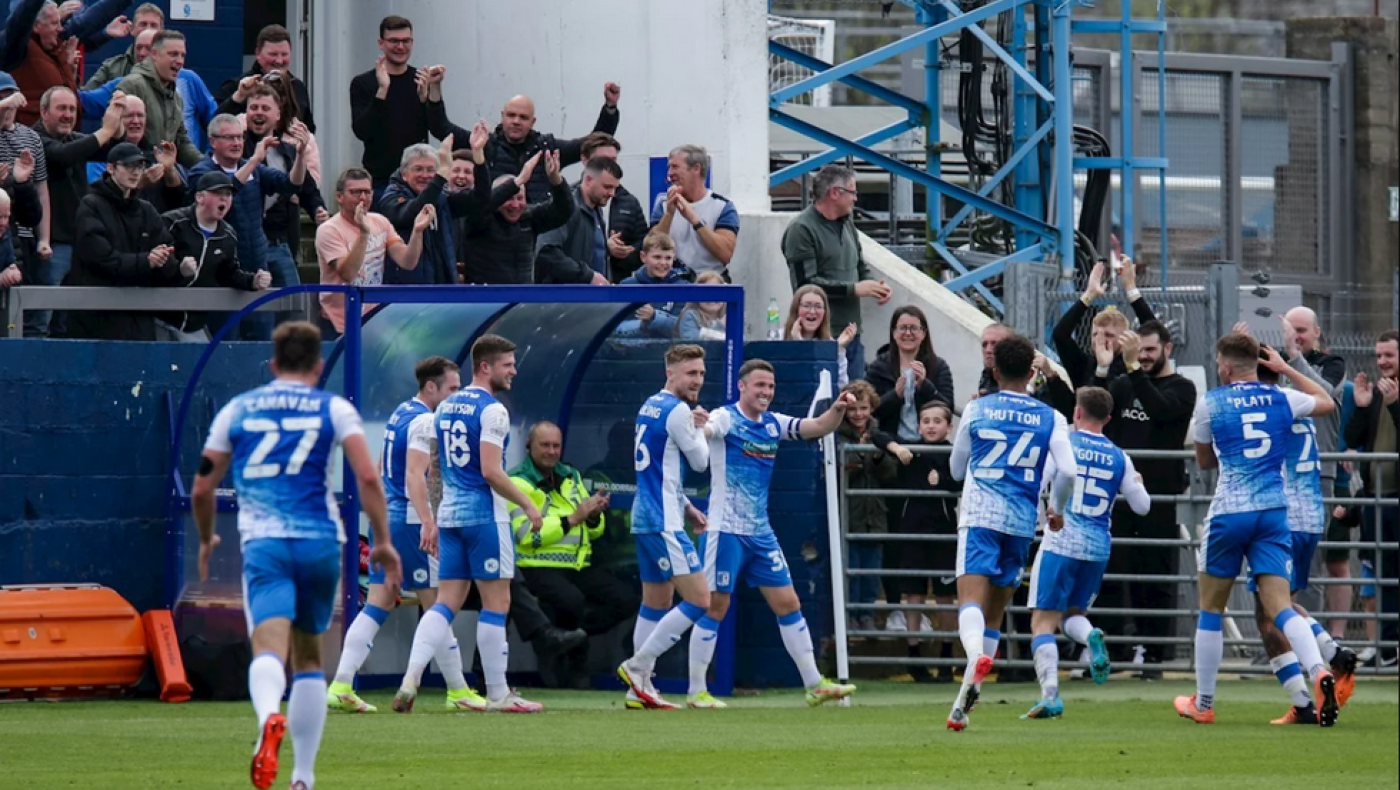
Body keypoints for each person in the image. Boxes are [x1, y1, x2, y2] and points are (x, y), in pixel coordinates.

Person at [191, 321, 402, 790]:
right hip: (320, 542)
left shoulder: (238, 410)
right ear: (319, 365)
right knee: (309, 658)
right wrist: (383, 541)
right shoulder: (334, 409)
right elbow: (368, 478)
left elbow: (203, 484)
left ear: (272, 364)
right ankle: (303, 778)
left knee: (268, 649)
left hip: (265, 543)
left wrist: (207, 539)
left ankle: (269, 716)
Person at [636, 358, 858, 710]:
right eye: (759, 386)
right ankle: (696, 691)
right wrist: (700, 427)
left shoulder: (772, 424)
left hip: (760, 532)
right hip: (724, 531)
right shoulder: (726, 417)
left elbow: (814, 427)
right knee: (714, 606)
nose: (766, 392)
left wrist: (837, 410)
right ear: (742, 387)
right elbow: (706, 434)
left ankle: (815, 684)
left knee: (789, 603)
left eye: (770, 386)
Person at [1175, 333, 1338, 726]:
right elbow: (1327, 401)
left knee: (1211, 608)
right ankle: (1318, 670)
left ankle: (1205, 702)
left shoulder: (1210, 403)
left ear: (1226, 366)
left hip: (1231, 511)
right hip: (1273, 512)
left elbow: (1205, 461)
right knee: (1281, 606)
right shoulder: (1283, 397)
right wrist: (1286, 371)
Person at [325, 357, 491, 714]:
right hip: (410, 520)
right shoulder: (424, 419)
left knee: (381, 602)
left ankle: (340, 684)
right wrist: (429, 522)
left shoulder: (403, 410)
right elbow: (415, 476)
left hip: (390, 517)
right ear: (431, 387)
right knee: (439, 604)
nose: (455, 395)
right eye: (451, 388)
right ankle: (458, 689)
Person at [391, 334, 546, 714]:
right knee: (498, 603)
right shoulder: (493, 410)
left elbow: (435, 470)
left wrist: (434, 517)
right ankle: (498, 693)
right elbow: (492, 472)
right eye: (508, 364)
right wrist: (528, 504)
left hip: (449, 518)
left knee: (445, 603)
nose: (514, 370)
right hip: (484, 518)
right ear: (485, 367)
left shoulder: (443, 409)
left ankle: (410, 679)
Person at [945, 333, 1076, 732]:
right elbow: (1068, 470)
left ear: (994, 369)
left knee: (969, 600)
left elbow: (955, 469)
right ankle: (962, 706)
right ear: (1033, 370)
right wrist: (1057, 509)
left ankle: (971, 660)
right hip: (1021, 522)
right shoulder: (1050, 416)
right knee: (995, 612)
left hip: (981, 514)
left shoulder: (977, 409)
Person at [1024, 387, 1151, 720]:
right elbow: (1142, 506)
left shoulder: (1063, 444)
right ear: (1108, 419)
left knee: (1042, 622)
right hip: (1097, 547)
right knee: (1072, 615)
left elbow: (1040, 483)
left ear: (1076, 413)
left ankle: (1050, 694)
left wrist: (1045, 515)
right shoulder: (1119, 456)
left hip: (1061, 540)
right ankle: (1090, 635)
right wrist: (1136, 479)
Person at [1246, 355, 1358, 724]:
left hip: (1282, 520)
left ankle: (1304, 699)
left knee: (1269, 617)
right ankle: (1332, 653)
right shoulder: (1301, 404)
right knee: (1285, 607)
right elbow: (1327, 397)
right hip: (1311, 516)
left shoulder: (1268, 408)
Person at [614, 343, 712, 710]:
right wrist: (700, 428)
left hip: (649, 515)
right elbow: (700, 463)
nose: (697, 380)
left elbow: (658, 468)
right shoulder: (678, 411)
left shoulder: (648, 405)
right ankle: (636, 667)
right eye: (691, 373)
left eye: (701, 373)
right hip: (663, 522)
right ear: (670, 372)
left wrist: (685, 505)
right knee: (700, 599)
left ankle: (637, 691)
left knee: (656, 601)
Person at [1095, 321, 1196, 673]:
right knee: (1112, 570)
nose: (1144, 357)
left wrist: (1135, 367)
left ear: (1167, 349)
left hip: (1160, 495)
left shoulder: (1183, 388)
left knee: (1156, 571)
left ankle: (1155, 654)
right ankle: (1115, 651)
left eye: (1150, 350)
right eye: (1140, 351)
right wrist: (1103, 367)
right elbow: (1096, 414)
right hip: (1118, 496)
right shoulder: (1124, 384)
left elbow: (1160, 410)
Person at [508, 422, 639, 689]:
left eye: (556, 445)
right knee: (573, 600)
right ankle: (571, 660)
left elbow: (594, 532)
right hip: (535, 566)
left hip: (578, 564)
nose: (552, 452)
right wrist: (572, 519)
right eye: (545, 445)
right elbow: (527, 536)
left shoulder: (571, 476)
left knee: (625, 599)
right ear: (529, 446)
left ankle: (567, 640)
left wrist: (592, 517)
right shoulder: (515, 482)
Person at [189, 114, 308, 338]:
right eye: (229, 138)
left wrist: (301, 154)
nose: (236, 143)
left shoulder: (251, 168)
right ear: (213, 141)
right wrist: (254, 160)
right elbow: (225, 190)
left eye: (239, 137)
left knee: (262, 339)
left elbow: (292, 183)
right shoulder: (201, 171)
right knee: (226, 343)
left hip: (257, 270)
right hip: (222, 274)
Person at [783, 164, 892, 380]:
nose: (856, 199)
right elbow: (806, 285)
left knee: (855, 402)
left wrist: (873, 286)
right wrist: (854, 289)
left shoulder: (847, 223)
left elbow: (859, 264)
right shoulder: (801, 230)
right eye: (853, 192)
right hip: (818, 337)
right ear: (835, 193)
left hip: (852, 332)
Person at [32, 85, 125, 337]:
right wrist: (106, 129)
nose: (68, 114)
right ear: (43, 112)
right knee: (40, 321)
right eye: (61, 108)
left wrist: (118, 120)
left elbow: (111, 149)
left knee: (67, 324)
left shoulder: (73, 139)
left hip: (78, 245)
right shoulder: (34, 140)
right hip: (50, 248)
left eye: (72, 109)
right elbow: (63, 156)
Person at [62, 141, 176, 341]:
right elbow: (100, 259)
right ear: (111, 168)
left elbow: (167, 253)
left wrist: (176, 266)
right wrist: (146, 261)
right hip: (96, 319)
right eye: (129, 166)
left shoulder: (146, 210)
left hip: (139, 317)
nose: (135, 172)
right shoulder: (91, 205)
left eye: (140, 166)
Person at [157, 172, 272, 341]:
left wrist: (253, 281)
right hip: (158, 318)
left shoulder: (228, 235)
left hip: (193, 324)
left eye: (228, 194)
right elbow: (153, 265)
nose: (224, 199)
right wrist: (179, 269)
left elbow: (228, 274)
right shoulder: (172, 223)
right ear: (200, 197)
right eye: (218, 193)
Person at [315, 167, 430, 336]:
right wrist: (363, 233)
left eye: (367, 192)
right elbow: (348, 273)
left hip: (372, 319)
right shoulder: (329, 230)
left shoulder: (380, 221)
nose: (363, 198)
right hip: (338, 322)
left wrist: (417, 231)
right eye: (355, 192)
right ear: (339, 197)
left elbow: (407, 262)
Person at [1342, 329, 1399, 668]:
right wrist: (1362, 407)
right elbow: (1353, 437)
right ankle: (1388, 647)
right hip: (1377, 497)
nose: (1382, 362)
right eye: (1378, 356)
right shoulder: (1377, 392)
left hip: (1396, 498)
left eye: (1388, 355)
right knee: (1382, 574)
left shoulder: (1391, 396)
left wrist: (1395, 406)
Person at [894, 400, 961, 682]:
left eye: (937, 421)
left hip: (944, 533)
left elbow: (960, 482)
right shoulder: (910, 452)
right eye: (926, 421)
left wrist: (943, 479)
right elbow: (879, 438)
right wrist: (896, 448)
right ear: (918, 425)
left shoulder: (954, 453)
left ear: (949, 426)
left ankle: (947, 656)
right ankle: (914, 656)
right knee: (914, 595)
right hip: (913, 533)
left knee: (946, 596)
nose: (931, 426)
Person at [376, 126, 488, 285]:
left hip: (443, 287)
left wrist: (478, 157)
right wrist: (441, 175)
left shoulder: (442, 197)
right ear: (404, 174)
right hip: (406, 292)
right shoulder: (391, 197)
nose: (425, 175)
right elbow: (415, 210)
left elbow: (481, 198)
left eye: (431, 170)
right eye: (418, 169)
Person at [477, 83, 620, 204]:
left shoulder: (547, 149)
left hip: (537, 229)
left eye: (523, 117)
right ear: (502, 117)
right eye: (511, 115)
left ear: (533, 122)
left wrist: (610, 108)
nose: (516, 121)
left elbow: (594, 142)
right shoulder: (485, 146)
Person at [835, 380, 901, 632]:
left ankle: (867, 613)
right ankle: (850, 614)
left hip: (875, 515)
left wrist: (877, 456)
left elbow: (890, 474)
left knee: (871, 570)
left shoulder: (879, 435)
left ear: (871, 408)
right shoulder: (838, 434)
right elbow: (842, 472)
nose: (858, 414)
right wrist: (860, 454)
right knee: (850, 568)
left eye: (863, 408)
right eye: (853, 409)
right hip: (849, 514)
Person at [348, 15, 444, 189]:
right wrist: (382, 91)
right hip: (379, 180)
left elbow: (439, 128)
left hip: (418, 178)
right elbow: (362, 131)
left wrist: (427, 99)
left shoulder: (421, 80)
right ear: (381, 43)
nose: (400, 47)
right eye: (394, 41)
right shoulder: (363, 83)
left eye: (406, 41)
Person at [5, 0, 128, 127]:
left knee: (126, 86)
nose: (61, 28)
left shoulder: (54, 43)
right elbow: (22, 17)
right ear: (35, 26)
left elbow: (87, 23)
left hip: (65, 136)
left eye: (60, 22)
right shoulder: (17, 46)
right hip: (35, 141)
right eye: (54, 23)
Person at [458, 149, 571, 285]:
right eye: (509, 198)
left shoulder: (529, 218)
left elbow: (565, 210)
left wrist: (556, 181)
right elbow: (482, 206)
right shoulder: (479, 220)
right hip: (486, 300)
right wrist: (517, 182)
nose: (515, 205)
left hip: (521, 299)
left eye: (520, 198)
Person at [1053, 258, 1158, 389]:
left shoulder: (1132, 366)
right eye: (1095, 334)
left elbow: (1156, 334)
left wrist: (1131, 289)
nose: (1100, 339)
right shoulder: (1083, 365)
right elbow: (1060, 335)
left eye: (1109, 335)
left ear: (1123, 338)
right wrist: (1089, 295)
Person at [649, 144, 738, 279]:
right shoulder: (663, 206)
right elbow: (650, 248)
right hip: (672, 283)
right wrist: (669, 214)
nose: (669, 173)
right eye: (669, 167)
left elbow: (725, 254)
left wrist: (694, 219)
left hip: (710, 285)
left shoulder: (722, 207)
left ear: (696, 168)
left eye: (675, 167)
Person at [115, 29, 202, 166]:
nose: (179, 61)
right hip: (135, 172)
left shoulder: (176, 97)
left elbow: (182, 142)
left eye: (182, 55)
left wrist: (206, 166)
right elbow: (115, 135)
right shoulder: (132, 85)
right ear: (154, 54)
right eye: (173, 54)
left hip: (163, 173)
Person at [867, 306, 955, 440]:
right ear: (894, 333)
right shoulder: (878, 367)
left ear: (924, 333)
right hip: (889, 448)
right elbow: (868, 412)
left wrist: (925, 386)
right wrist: (895, 396)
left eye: (914, 328)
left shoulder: (939, 366)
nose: (908, 333)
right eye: (902, 328)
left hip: (928, 447)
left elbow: (948, 409)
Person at [533, 155, 620, 285]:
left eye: (614, 188)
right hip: (564, 301)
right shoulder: (564, 210)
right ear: (589, 180)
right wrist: (587, 275)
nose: (612, 193)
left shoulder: (597, 211)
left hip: (590, 299)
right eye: (607, 187)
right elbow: (546, 252)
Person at [216, 24, 315, 132]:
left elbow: (309, 128)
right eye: (273, 54)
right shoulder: (235, 87)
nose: (279, 61)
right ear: (258, 53)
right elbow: (215, 125)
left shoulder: (297, 87)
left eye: (284, 54)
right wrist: (239, 96)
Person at [578, 132, 646, 281]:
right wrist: (604, 247)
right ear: (585, 160)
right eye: (603, 160)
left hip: (618, 285)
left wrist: (629, 252)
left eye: (614, 160)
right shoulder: (569, 202)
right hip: (581, 288)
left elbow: (643, 242)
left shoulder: (629, 201)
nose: (611, 165)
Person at [0, 71, 50, 274]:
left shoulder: (31, 137)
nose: (9, 105)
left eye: (12, 97)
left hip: (22, 236)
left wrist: (44, 239)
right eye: (2, 98)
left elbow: (41, 190)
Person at [616, 231, 694, 338]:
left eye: (668, 258)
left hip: (671, 350)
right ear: (643, 257)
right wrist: (641, 324)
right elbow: (616, 326)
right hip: (632, 349)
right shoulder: (627, 286)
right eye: (657, 257)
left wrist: (654, 316)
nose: (663, 263)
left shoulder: (683, 288)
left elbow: (684, 326)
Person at [783, 285, 857, 388]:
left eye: (818, 306)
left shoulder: (830, 343)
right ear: (796, 309)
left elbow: (841, 386)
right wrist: (798, 344)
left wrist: (836, 349)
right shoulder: (779, 338)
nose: (812, 311)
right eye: (807, 306)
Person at [82, 2, 164, 88]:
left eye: (153, 25)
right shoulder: (112, 68)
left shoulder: (170, 66)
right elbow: (86, 96)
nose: (148, 29)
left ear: (162, 32)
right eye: (143, 24)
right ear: (132, 29)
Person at [675, 271, 727, 341]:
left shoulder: (729, 316)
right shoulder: (690, 316)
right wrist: (720, 325)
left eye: (716, 292)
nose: (711, 297)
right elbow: (692, 344)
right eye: (705, 293)